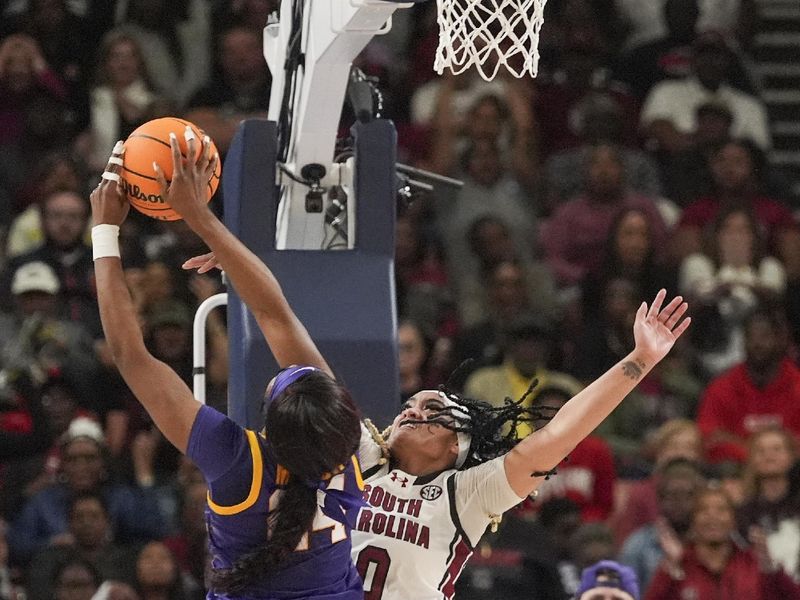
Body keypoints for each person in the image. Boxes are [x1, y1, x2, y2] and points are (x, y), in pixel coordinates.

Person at [182, 149, 691, 598]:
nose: (413, 410)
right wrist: (220, 238)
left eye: (433, 412)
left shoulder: (468, 495)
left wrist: (640, 360)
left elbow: (560, 433)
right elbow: (282, 323)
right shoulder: (357, 452)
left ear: (457, 447)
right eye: (411, 405)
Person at [90, 136, 365, 599]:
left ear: (268, 429)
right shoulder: (338, 449)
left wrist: (106, 227)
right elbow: (273, 314)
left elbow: (130, 353)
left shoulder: (245, 464)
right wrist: (205, 224)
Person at [644, 486, 800, 599]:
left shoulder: (753, 563)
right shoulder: (678, 566)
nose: (713, 516)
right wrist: (671, 569)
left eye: (721, 510)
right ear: (693, 520)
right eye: (703, 510)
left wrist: (772, 570)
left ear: (734, 521)